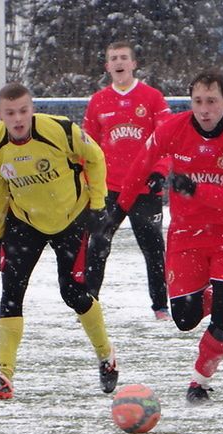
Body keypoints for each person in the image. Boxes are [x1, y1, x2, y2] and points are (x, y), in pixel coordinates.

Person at [116, 71, 223, 403]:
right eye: (198, 102)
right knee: (183, 318)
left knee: (222, 320)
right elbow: (143, 162)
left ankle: (199, 382)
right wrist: (119, 209)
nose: (204, 110)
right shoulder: (173, 128)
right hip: (186, 235)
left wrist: (197, 190)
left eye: (212, 102)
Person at [0, 82, 118, 399]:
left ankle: (106, 356)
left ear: (33, 109)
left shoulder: (60, 131)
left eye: (23, 110)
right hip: (25, 222)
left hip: (71, 219)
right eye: (10, 113)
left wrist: (98, 206)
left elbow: (95, 157)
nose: (18, 118)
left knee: (73, 294)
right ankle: (3, 375)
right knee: (11, 293)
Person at [82, 41, 172, 320]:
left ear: (134, 64)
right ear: (107, 66)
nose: (119, 62)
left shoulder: (153, 97)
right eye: (113, 58)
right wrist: (85, 179)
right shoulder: (98, 101)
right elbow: (87, 146)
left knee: (154, 249)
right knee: (97, 244)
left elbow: (167, 140)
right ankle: (88, 304)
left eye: (123, 57)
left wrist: (160, 172)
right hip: (109, 189)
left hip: (145, 188)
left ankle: (160, 307)